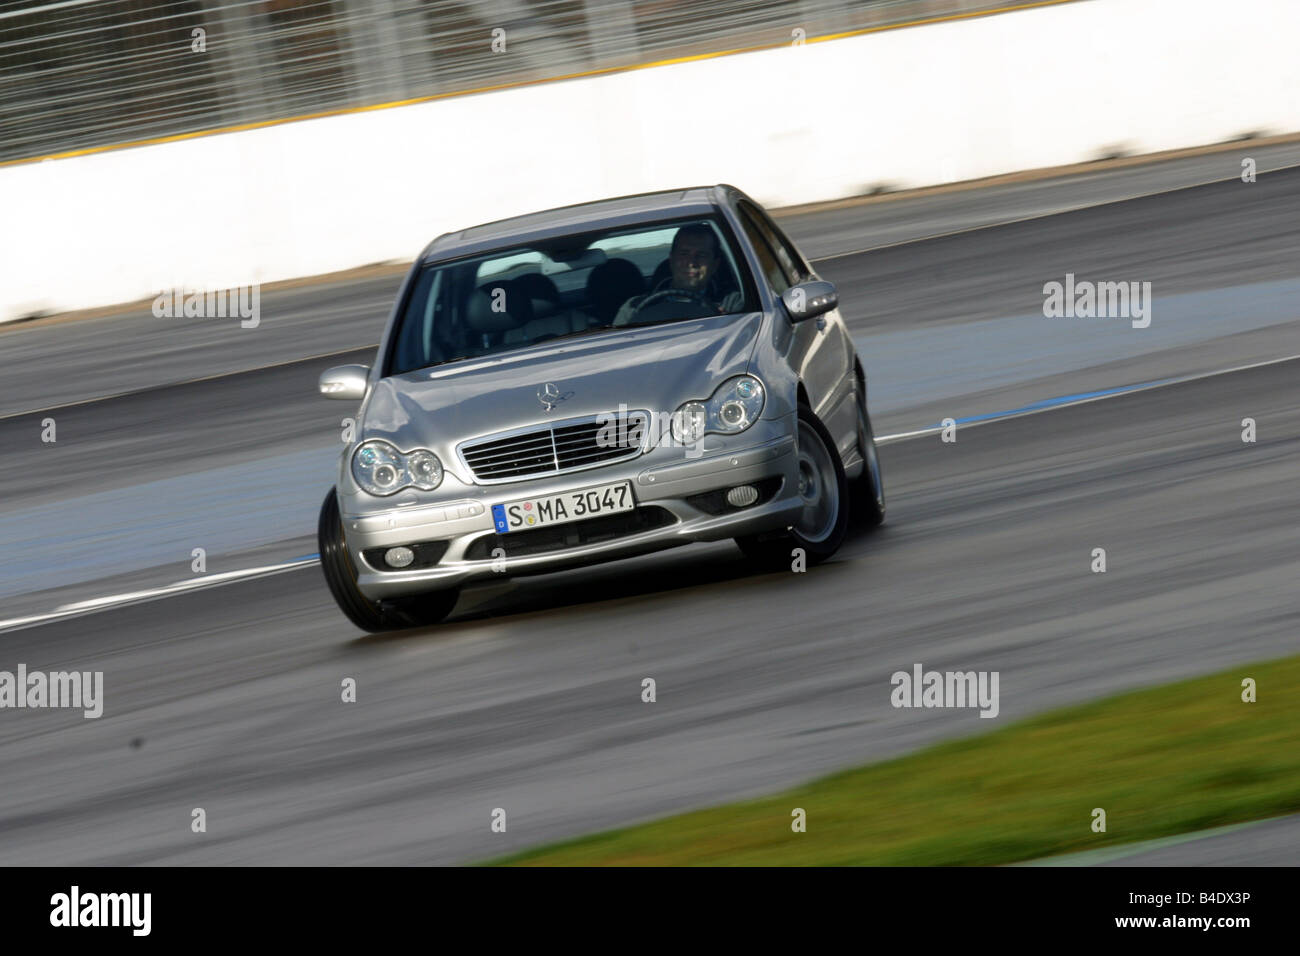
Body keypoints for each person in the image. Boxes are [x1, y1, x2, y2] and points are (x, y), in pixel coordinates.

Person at [612, 223, 743, 326]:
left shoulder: (732, 304)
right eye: (684, 254)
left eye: (701, 255)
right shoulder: (633, 308)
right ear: (672, 260)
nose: (691, 262)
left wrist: (725, 321)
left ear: (715, 265)